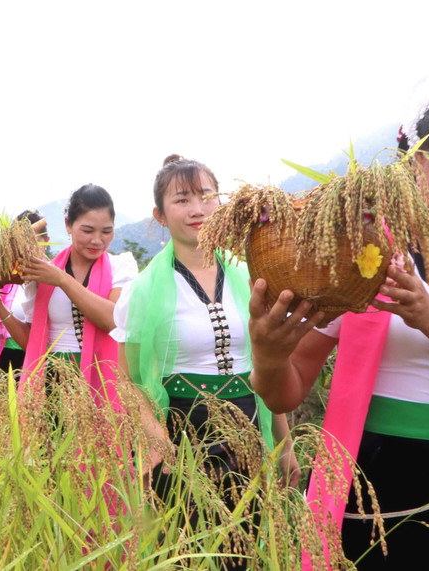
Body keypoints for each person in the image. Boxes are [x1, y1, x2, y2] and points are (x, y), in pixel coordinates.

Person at [248, 86, 429, 570]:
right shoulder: (356, 260)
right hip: (363, 479)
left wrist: (428, 314)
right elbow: (286, 391)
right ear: (416, 162)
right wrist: (268, 355)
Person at [112, 155, 296, 571]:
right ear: (160, 214)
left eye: (205, 195)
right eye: (182, 199)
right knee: (187, 550)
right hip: (181, 433)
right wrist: (155, 438)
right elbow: (128, 380)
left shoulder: (253, 276)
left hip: (249, 426)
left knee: (248, 546)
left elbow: (270, 365)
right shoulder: (142, 291)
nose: (197, 209)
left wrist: (283, 443)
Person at [19, 185, 138, 408]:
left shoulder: (121, 266)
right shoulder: (43, 272)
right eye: (87, 230)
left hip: (103, 379)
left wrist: (63, 280)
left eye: (106, 231)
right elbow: (30, 336)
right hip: (51, 379)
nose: (97, 240)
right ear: (68, 225)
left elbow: (113, 319)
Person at [0, 211, 48, 383]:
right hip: (4, 363)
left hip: (44, 365)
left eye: (34, 242)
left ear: (46, 242)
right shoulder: (2, 282)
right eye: (21, 244)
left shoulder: (55, 280)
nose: (28, 250)